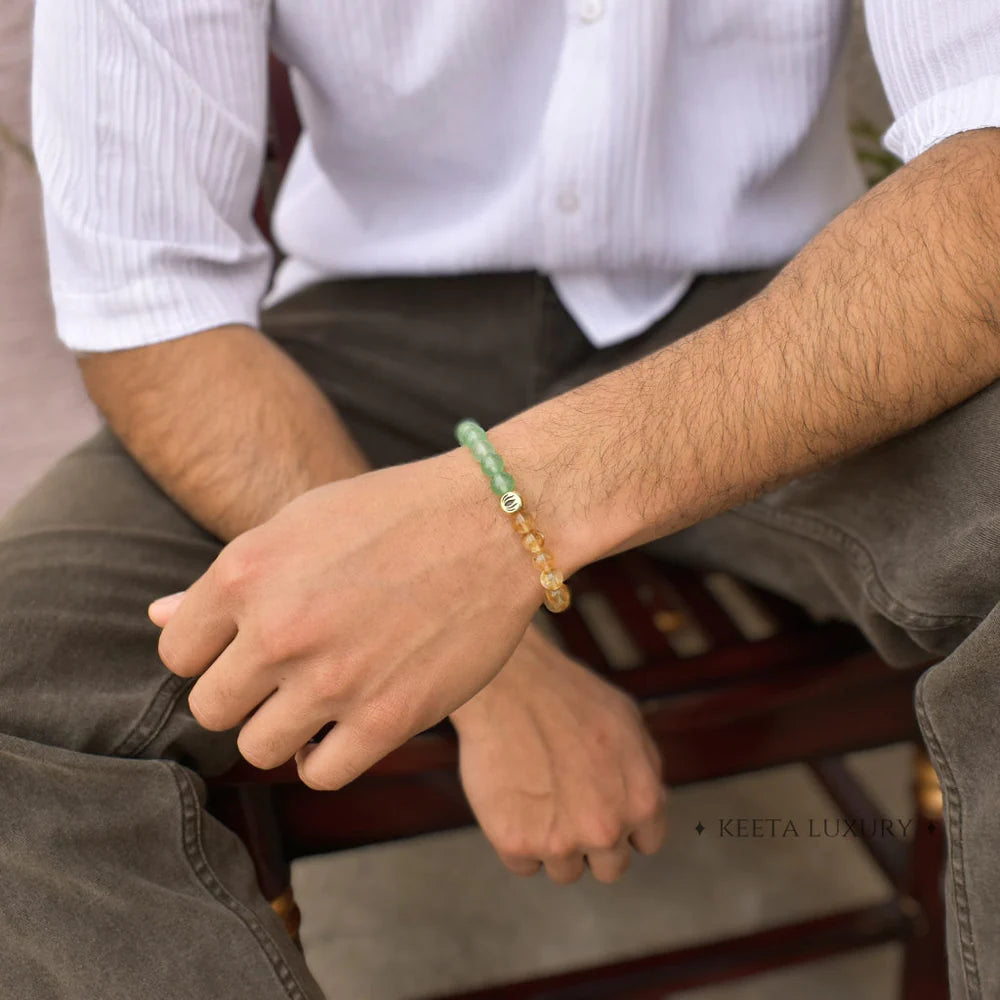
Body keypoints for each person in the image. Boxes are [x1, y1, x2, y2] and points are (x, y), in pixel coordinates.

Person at [5, 1, 999, 997]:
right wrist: (499, 673)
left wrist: (501, 522)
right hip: (362, 339)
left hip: (786, 319)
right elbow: (150, 296)